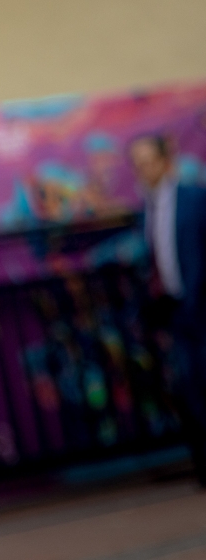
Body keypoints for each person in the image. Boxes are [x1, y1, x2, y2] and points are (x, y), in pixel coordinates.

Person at [129, 134, 206, 484]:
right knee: (190, 388)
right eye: (138, 164)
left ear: (165, 161)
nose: (144, 170)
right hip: (175, 312)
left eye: (149, 161)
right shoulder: (147, 208)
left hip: (200, 306)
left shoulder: (194, 198)